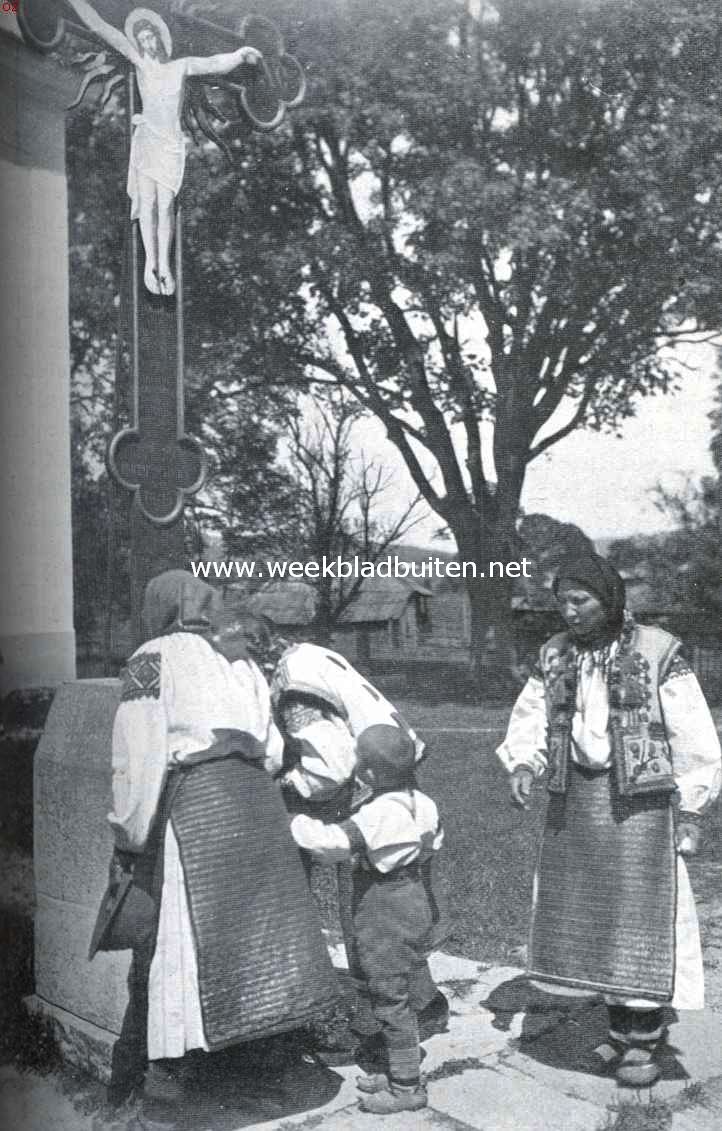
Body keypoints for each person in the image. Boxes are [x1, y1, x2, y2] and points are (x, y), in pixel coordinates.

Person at [94, 571, 338, 1113]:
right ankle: (262, 1070)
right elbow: (272, 751)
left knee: (180, 948)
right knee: (255, 945)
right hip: (256, 808)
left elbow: (137, 756)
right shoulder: (238, 656)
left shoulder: (150, 658)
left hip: (199, 809)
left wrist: (130, 835)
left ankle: (164, 1097)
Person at [496, 551, 722, 1086]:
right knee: (590, 921)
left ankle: (642, 1042)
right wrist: (525, 762)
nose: (570, 612)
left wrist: (691, 806)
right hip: (575, 804)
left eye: (581, 600)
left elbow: (695, 737)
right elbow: (529, 715)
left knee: (636, 920)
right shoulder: (554, 654)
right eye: (563, 602)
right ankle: (618, 1032)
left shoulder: (657, 652)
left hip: (640, 805)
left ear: (609, 598)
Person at [270, 641, 449, 1047]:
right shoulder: (312, 656)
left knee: (365, 915)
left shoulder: (292, 685)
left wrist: (286, 789)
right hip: (394, 777)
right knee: (400, 914)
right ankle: (424, 1002)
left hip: (366, 795)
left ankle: (375, 1025)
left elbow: (331, 768)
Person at [291, 725, 444, 1114]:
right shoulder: (423, 803)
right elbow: (433, 844)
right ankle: (397, 1067)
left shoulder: (378, 813)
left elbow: (331, 844)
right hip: (413, 896)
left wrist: (292, 823)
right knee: (392, 985)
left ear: (369, 774)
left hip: (384, 904)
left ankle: (407, 1088)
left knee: (389, 995)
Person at [65, 2, 261, 295]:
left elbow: (213, 63)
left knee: (166, 204)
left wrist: (240, 54)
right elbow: (102, 29)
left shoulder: (180, 67)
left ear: (159, 38)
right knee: (147, 203)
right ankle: (150, 265)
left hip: (169, 142)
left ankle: (164, 266)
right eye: (142, 40)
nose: (147, 43)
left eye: (150, 37)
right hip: (147, 139)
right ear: (139, 45)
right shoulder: (139, 64)